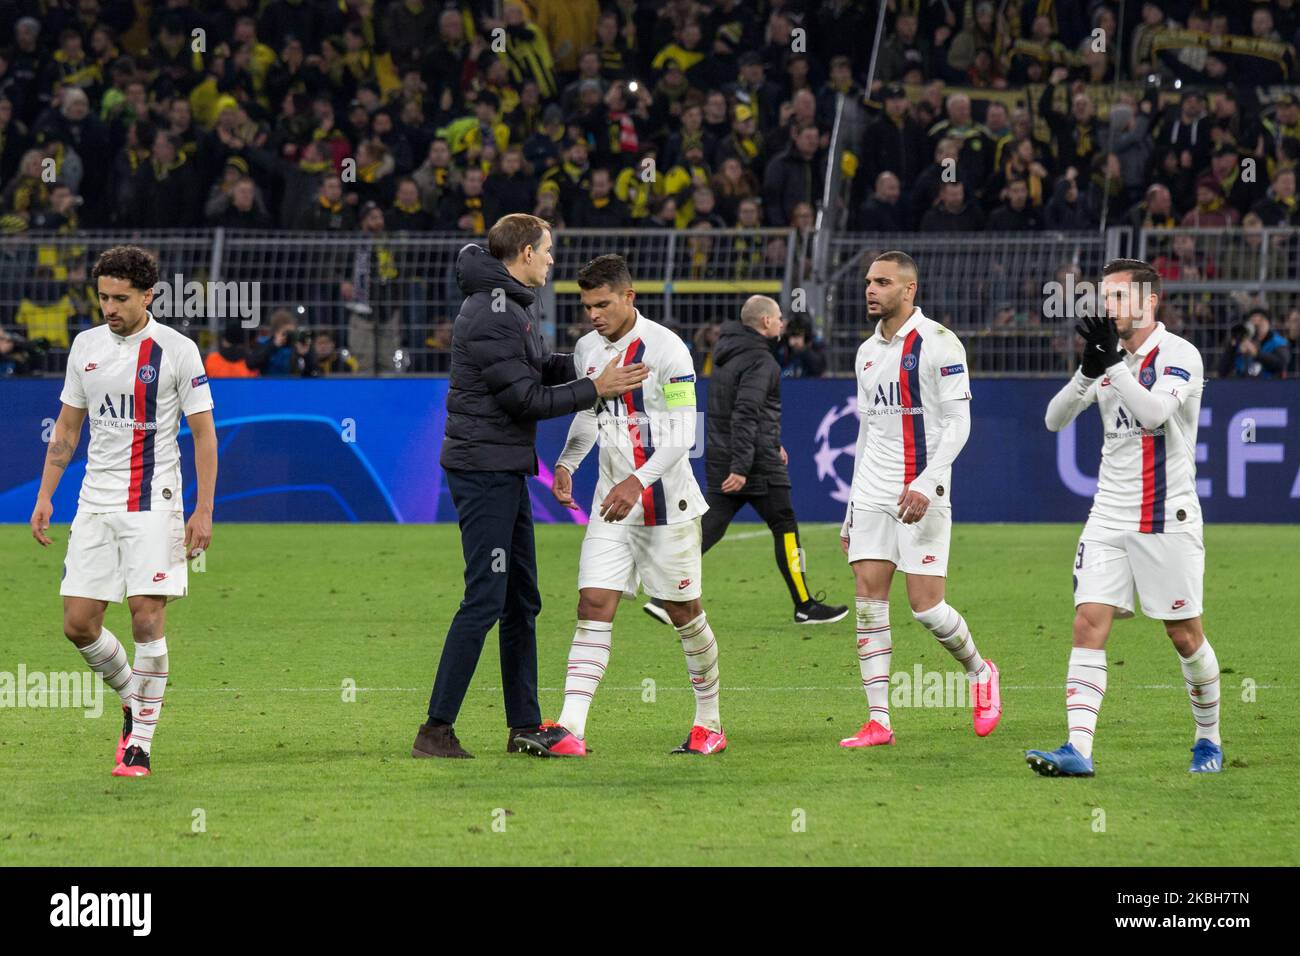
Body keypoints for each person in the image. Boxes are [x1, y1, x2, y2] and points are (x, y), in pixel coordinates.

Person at [412, 217, 648, 759]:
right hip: (485, 471)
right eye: (547, 251)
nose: (552, 260)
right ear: (524, 252)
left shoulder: (507, 303)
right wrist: (595, 387)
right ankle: (435, 730)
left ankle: (523, 725)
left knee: (521, 599)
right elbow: (524, 399)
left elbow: (538, 369)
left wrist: (588, 364)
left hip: (502, 467)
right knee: (486, 598)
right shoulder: (496, 312)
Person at [511, 255, 727, 758]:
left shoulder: (668, 349)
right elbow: (591, 410)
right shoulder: (588, 348)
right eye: (587, 305)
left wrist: (636, 480)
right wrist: (566, 463)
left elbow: (682, 435)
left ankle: (710, 722)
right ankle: (571, 728)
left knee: (683, 612)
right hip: (612, 504)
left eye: (603, 303)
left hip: (665, 505)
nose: (594, 314)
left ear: (629, 297)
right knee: (593, 603)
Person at [28, 245, 218, 778]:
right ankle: (134, 697)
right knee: (78, 624)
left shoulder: (177, 350)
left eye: (120, 298)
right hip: (95, 502)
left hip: (155, 502)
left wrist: (203, 510)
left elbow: (204, 435)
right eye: (103, 298)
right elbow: (67, 429)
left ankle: (141, 743)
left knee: (145, 615)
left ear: (148, 295)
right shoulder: (85, 346)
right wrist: (45, 495)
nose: (109, 308)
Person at [1031, 258, 1221, 776]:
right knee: (1088, 622)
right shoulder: (1106, 357)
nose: (1107, 307)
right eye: (1104, 298)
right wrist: (1087, 372)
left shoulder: (1179, 354)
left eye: (1118, 297)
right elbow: (1053, 420)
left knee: (1184, 635)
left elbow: (1156, 414)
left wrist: (1112, 365)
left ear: (1149, 301)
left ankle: (1208, 738)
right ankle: (1078, 749)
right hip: (1109, 513)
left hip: (1167, 514)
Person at [839, 251, 1002, 748]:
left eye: (882, 282)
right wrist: (850, 504)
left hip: (921, 490)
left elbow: (959, 423)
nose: (870, 289)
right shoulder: (867, 352)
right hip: (871, 490)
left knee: (926, 608)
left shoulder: (940, 344)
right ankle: (879, 721)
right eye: (868, 281)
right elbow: (867, 428)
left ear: (908, 290)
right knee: (868, 602)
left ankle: (980, 671)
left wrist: (928, 484)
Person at [645, 295, 847, 628]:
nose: (783, 323)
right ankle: (804, 605)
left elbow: (739, 409)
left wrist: (768, 442)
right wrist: (742, 466)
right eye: (779, 317)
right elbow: (746, 412)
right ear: (766, 322)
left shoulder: (728, 354)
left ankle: (665, 597)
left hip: (728, 453)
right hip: (753, 462)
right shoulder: (761, 361)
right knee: (784, 524)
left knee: (710, 526)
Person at [1218, 308, 1290, 379]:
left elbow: (1281, 365)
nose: (1257, 324)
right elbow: (1222, 371)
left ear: (1268, 323)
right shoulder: (1241, 341)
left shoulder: (1278, 342)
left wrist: (1257, 354)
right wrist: (1232, 348)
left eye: (1261, 320)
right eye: (1253, 321)